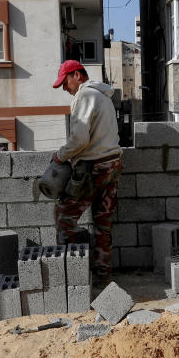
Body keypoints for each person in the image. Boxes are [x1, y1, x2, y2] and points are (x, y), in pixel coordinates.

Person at [50, 60, 122, 284]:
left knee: (64, 216)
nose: (65, 88)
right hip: (113, 165)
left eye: (65, 82)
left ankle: (72, 280)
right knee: (103, 223)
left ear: (77, 75)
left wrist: (60, 156)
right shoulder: (103, 95)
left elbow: (79, 140)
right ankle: (103, 277)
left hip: (94, 167)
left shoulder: (84, 96)